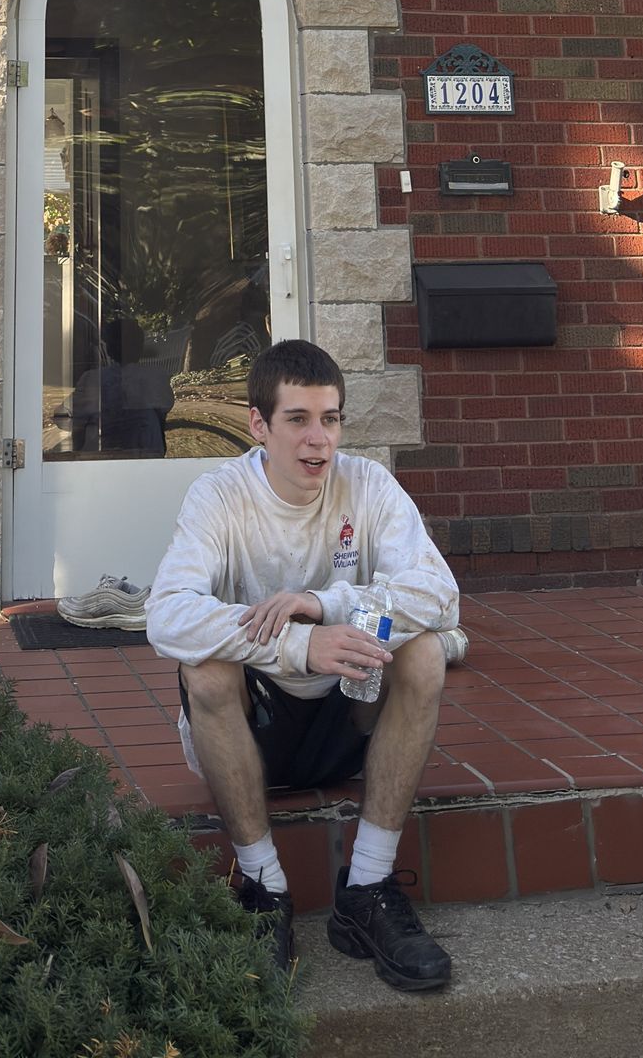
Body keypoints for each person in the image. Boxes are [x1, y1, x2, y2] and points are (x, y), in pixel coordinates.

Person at [145, 338, 459, 993]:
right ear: (259, 426)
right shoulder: (219, 495)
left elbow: (440, 592)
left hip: (347, 722)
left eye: (331, 419)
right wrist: (295, 644)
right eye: (298, 420)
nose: (318, 441)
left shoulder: (367, 484)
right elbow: (166, 614)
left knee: (425, 652)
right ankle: (264, 888)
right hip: (254, 729)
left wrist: (326, 607)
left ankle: (367, 886)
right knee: (204, 669)